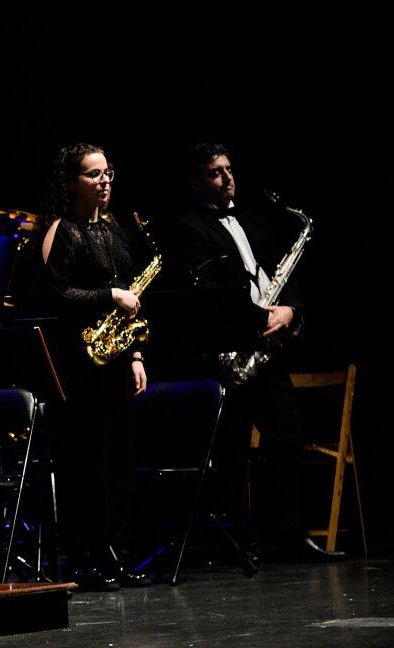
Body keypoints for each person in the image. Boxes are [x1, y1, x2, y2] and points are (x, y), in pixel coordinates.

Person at [161, 143, 342, 562]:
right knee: (232, 451)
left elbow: (286, 274)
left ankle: (292, 536)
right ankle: (243, 539)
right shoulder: (187, 229)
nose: (227, 178)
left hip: (267, 349)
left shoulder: (257, 221)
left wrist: (289, 312)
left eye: (228, 169)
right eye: (215, 173)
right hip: (226, 353)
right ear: (195, 182)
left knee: (288, 437)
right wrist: (254, 318)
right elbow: (203, 295)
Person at [38, 143, 150, 590]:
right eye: (92, 174)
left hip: (116, 358)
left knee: (121, 462)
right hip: (78, 364)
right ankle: (89, 559)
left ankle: (120, 557)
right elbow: (55, 296)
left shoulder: (117, 230)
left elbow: (134, 300)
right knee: (88, 463)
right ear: (71, 184)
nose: (104, 181)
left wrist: (137, 353)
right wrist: (110, 296)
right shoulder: (62, 231)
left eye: (108, 172)